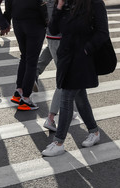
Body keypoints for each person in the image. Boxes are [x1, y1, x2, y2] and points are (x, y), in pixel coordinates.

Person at [42, 0, 109, 156]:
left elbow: (103, 32)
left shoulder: (94, 3)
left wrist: (86, 50)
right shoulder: (67, 3)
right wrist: (59, 6)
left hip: (81, 60)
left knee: (66, 97)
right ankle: (94, 132)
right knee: (80, 98)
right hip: (66, 59)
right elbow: (53, 29)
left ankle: (58, 142)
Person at [34, 0, 78, 131]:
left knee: (50, 52)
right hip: (61, 37)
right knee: (64, 78)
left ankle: (34, 73)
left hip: (51, 33)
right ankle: (51, 117)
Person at [4, 0, 48, 111]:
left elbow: (8, 4)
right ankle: (26, 98)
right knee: (32, 61)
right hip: (34, 23)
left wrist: (7, 21)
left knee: (24, 57)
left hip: (18, 22)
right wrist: (47, 22)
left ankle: (19, 91)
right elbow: (42, 5)